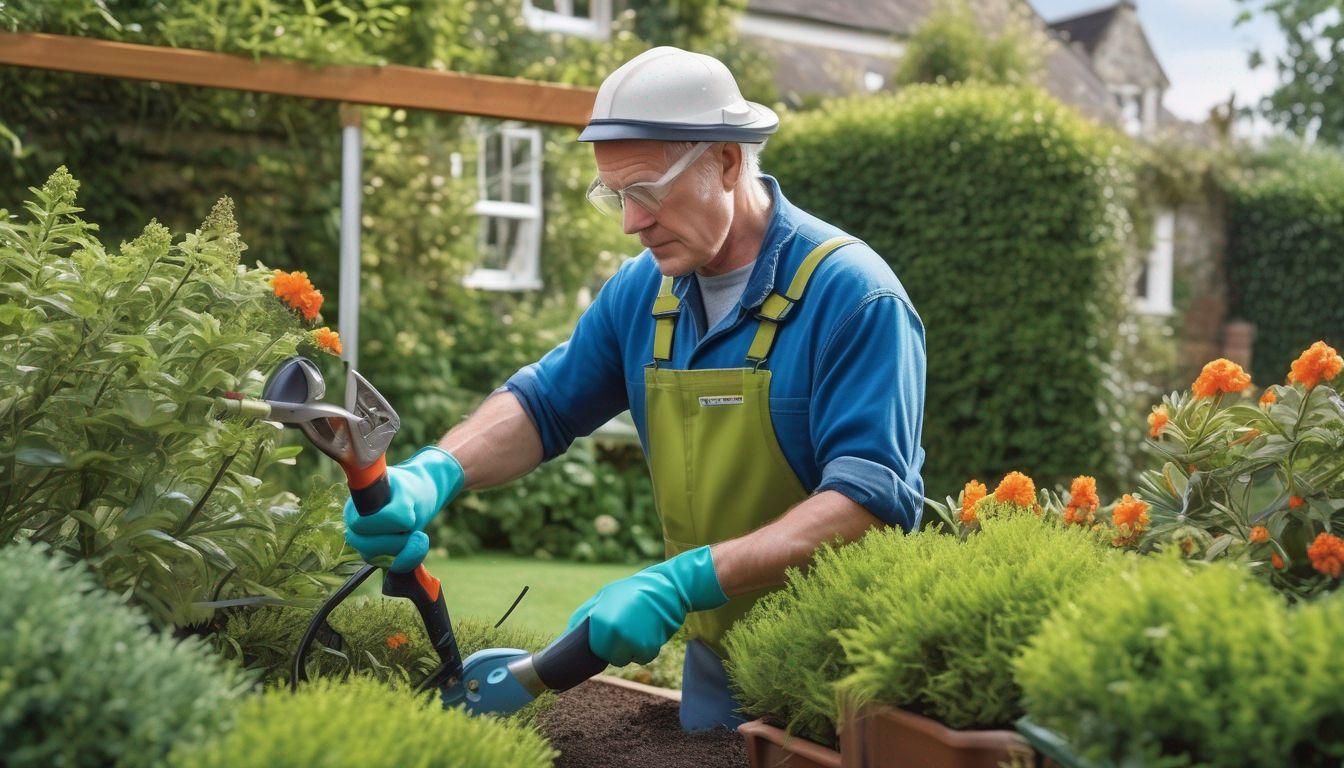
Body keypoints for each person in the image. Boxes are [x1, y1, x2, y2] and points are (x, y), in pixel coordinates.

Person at [344, 46, 926, 731]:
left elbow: (868, 502)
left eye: (647, 192)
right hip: (718, 669)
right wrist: (434, 473)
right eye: (616, 196)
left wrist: (686, 580)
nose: (630, 222)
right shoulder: (643, 293)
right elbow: (543, 404)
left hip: (844, 679)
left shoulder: (852, 298)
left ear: (728, 160)